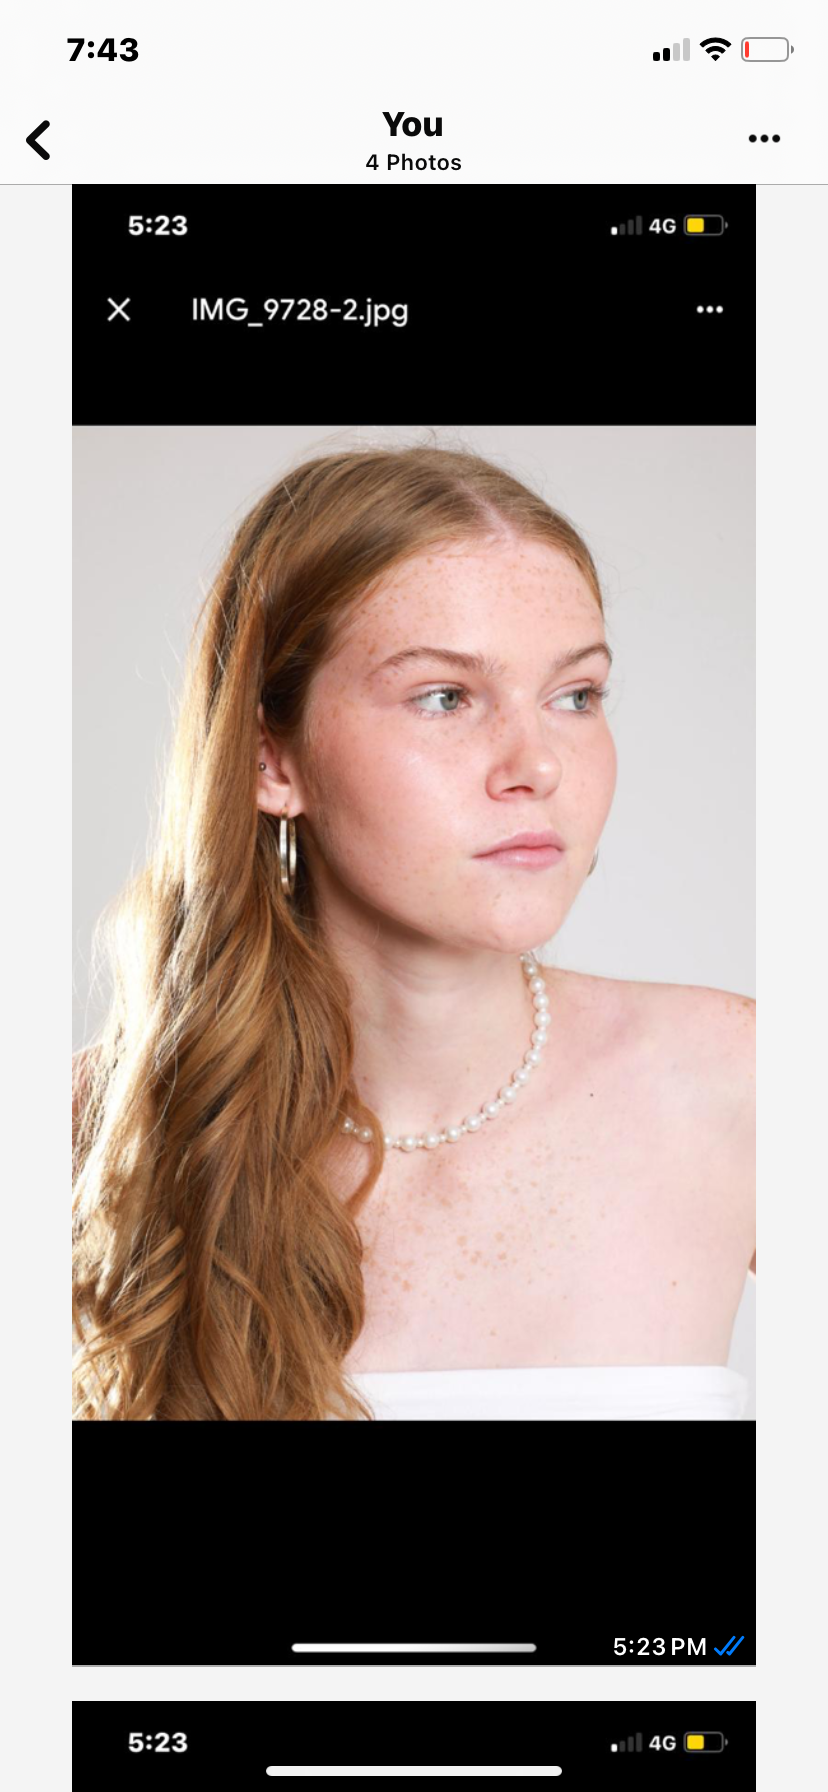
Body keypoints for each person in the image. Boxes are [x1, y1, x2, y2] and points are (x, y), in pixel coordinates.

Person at [72, 444, 754, 1421]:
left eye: (576, 695)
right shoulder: (91, 1137)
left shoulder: (743, 1082)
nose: (538, 765)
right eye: (446, 697)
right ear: (272, 759)